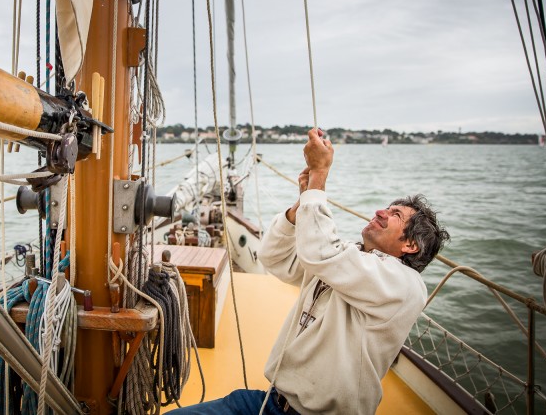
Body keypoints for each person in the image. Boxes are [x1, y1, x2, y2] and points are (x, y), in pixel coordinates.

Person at [171, 128, 450, 414]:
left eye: (396, 216)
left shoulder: (404, 285)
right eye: (387, 208)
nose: (381, 212)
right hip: (270, 403)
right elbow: (275, 258)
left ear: (411, 246)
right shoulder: (349, 260)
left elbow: (320, 253)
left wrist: (319, 177)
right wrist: (302, 202)